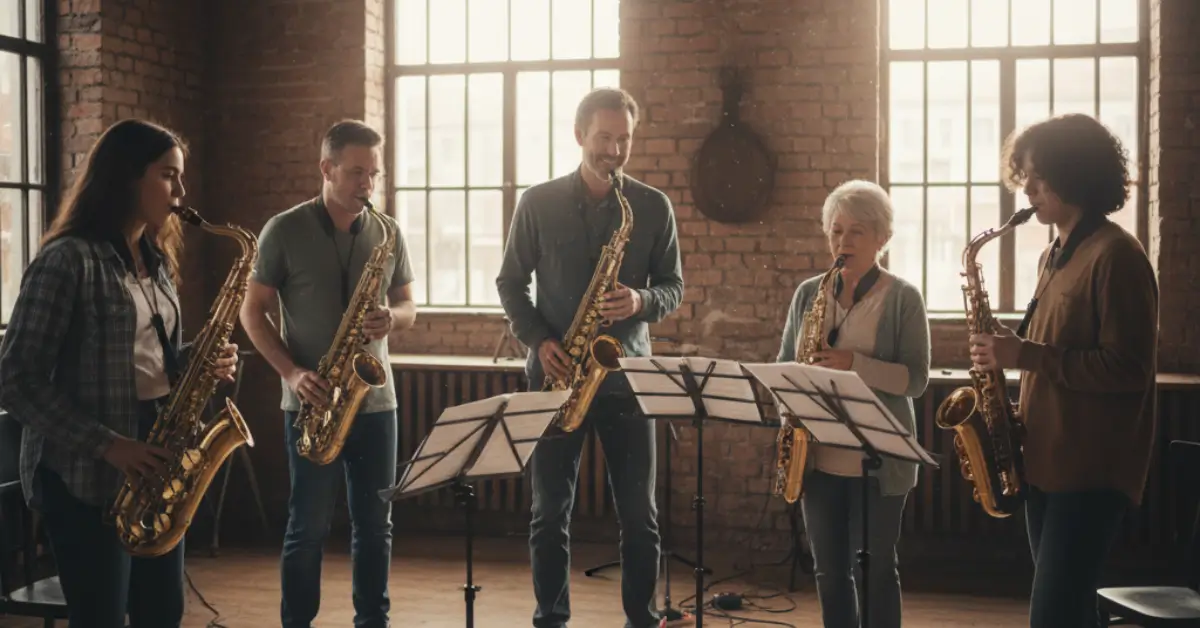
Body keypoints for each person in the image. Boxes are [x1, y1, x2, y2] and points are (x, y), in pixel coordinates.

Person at [0, 118, 240, 628]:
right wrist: (108, 444)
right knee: (102, 616)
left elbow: (147, 356)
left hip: (156, 455)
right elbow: (15, 378)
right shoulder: (67, 260)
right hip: (87, 470)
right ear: (125, 177)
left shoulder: (154, 259)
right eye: (167, 175)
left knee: (162, 613)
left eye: (180, 177)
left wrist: (200, 360)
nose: (180, 191)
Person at [496, 87, 685, 628]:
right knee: (548, 512)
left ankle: (640, 619)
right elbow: (510, 283)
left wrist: (642, 300)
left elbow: (673, 286)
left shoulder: (651, 206)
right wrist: (539, 338)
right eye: (605, 138)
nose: (615, 150)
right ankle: (550, 618)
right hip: (556, 373)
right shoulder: (538, 201)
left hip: (627, 377)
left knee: (639, 516)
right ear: (580, 135)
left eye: (624, 139)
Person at [969, 113, 1158, 628]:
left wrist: (1023, 355)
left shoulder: (1117, 255)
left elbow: (1128, 369)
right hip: (1046, 463)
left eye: (1038, 175)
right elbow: (1055, 353)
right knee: (1070, 613)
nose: (1026, 188)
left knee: (1052, 615)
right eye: (1024, 174)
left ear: (1073, 171)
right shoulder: (1055, 252)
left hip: (1090, 471)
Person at [239, 119, 417, 628]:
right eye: (357, 173)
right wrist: (292, 374)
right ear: (326, 168)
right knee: (308, 526)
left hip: (376, 404)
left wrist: (393, 319)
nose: (367, 184)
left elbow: (408, 305)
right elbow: (252, 311)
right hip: (312, 401)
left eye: (374, 175)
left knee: (375, 526)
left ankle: (372, 622)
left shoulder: (387, 231)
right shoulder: (285, 229)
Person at [775, 179, 931, 628]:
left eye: (857, 231)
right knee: (828, 571)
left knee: (876, 569)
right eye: (836, 231)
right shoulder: (809, 293)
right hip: (818, 455)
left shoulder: (903, 298)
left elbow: (916, 380)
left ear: (882, 237)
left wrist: (853, 364)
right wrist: (789, 406)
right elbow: (785, 365)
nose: (843, 242)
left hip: (878, 458)